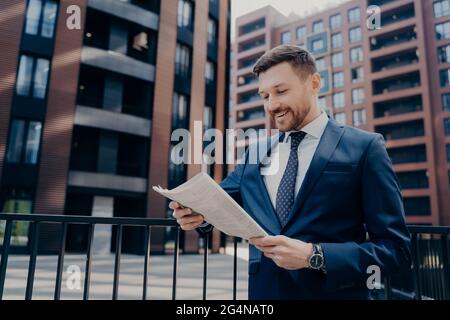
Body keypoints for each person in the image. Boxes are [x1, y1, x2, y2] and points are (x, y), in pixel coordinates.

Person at [170, 45, 411, 299]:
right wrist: (196, 214)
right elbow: (218, 204)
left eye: (281, 91)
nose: (272, 105)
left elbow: (395, 249)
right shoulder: (255, 153)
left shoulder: (365, 147)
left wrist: (314, 256)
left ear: (315, 83)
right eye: (264, 96)